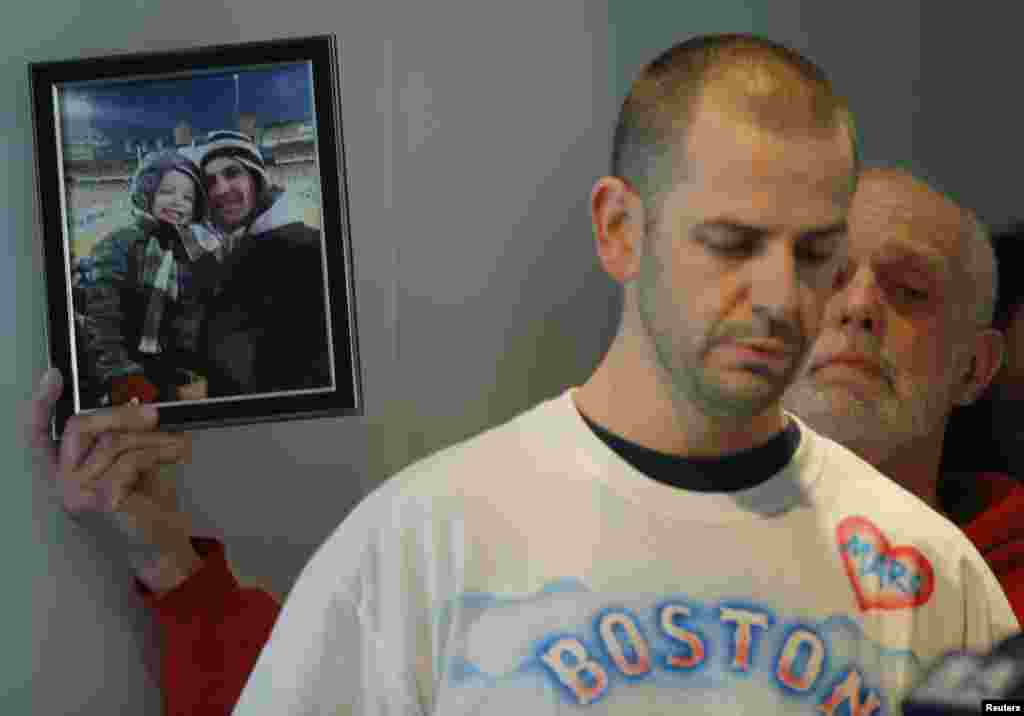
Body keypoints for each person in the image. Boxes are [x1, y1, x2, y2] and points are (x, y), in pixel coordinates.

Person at [26, 34, 1019, 715]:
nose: (789, 297)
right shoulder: (426, 538)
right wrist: (164, 550)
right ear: (619, 229)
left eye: (811, 252)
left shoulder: (944, 578)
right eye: (729, 241)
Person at [782, 168, 1024, 622]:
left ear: (973, 368)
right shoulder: (651, 541)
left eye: (911, 292)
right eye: (827, 275)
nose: (858, 306)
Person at [189, 130, 333, 397]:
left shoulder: (309, 252)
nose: (220, 189)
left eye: (232, 173)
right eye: (210, 181)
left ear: (256, 179)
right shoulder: (235, 252)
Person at [76, 150, 224, 408]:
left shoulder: (198, 252)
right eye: (167, 192)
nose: (177, 202)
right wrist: (120, 373)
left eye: (187, 197)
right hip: (127, 374)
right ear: (147, 194)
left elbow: (203, 316)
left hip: (175, 377)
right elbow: (102, 315)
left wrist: (200, 371)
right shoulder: (120, 243)